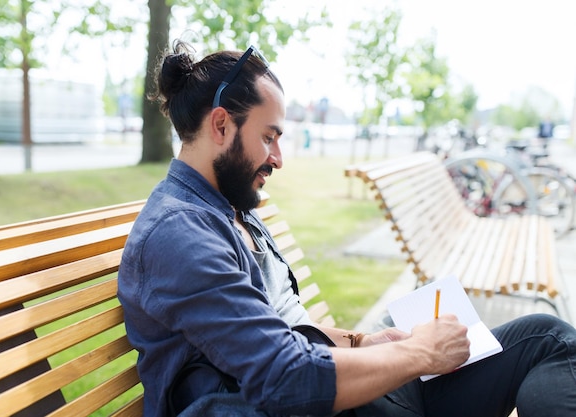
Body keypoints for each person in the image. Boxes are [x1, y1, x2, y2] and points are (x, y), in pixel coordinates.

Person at [117, 41, 576, 417]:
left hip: (346, 387)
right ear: (221, 125)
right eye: (269, 136)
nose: (278, 158)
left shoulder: (230, 206)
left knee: (547, 338)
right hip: (306, 402)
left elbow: (284, 327)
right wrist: (421, 355)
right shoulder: (178, 236)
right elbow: (285, 379)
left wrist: (366, 342)